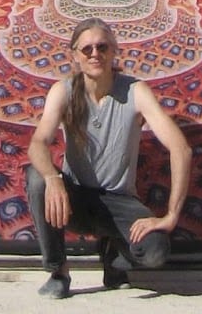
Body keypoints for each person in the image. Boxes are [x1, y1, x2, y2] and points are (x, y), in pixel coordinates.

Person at [26, 18, 192, 298]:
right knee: (37, 179)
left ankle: (114, 258)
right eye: (87, 49)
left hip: (119, 201)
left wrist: (171, 215)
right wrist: (54, 180)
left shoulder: (135, 92)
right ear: (75, 56)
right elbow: (38, 143)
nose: (95, 54)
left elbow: (181, 149)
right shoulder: (63, 91)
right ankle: (58, 272)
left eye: (102, 47)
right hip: (74, 198)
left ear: (114, 51)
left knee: (154, 252)